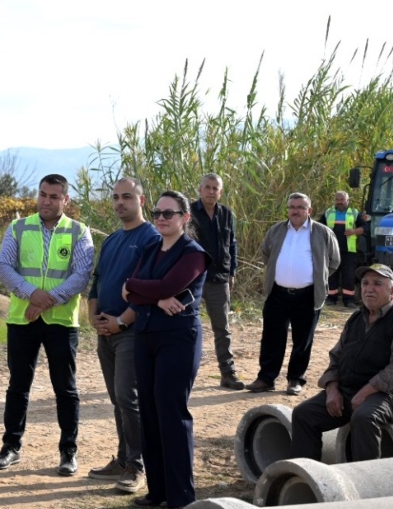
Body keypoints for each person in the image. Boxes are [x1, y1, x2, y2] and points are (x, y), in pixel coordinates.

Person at [0, 174, 94, 477]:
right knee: (18, 386)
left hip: (61, 322)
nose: (46, 201)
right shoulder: (19, 228)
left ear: (66, 200)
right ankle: (10, 447)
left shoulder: (79, 232)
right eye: (43, 195)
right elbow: (3, 266)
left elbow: (81, 273)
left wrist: (47, 300)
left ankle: (68, 451)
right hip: (23, 320)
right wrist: (31, 294)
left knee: (66, 389)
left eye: (54, 196)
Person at [121, 190, 210, 508]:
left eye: (168, 213)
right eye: (157, 212)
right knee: (149, 413)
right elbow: (129, 290)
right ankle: (157, 492)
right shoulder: (149, 248)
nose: (160, 218)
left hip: (178, 339)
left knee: (172, 415)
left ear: (185, 218)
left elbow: (163, 286)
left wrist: (138, 288)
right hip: (146, 336)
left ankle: (181, 497)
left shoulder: (194, 253)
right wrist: (154, 297)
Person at [290, 263, 393, 462]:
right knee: (304, 414)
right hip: (350, 389)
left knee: (364, 418)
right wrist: (332, 388)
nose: (369, 288)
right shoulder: (356, 318)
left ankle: (364, 482)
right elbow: (336, 357)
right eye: (365, 283)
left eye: (377, 284)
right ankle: (305, 479)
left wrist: (366, 391)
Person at [86, 178, 157, 493]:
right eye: (115, 197)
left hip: (131, 332)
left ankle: (137, 466)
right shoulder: (113, 239)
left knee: (129, 398)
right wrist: (93, 315)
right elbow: (97, 281)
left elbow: (148, 291)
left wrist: (122, 323)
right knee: (117, 399)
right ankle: (123, 457)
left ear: (141, 200)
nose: (120, 203)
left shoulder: (151, 238)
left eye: (127, 197)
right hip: (105, 332)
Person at [248, 192, 340, 396]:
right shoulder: (276, 230)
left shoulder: (323, 232)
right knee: (272, 337)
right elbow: (266, 254)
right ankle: (266, 379)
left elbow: (333, 261)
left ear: (309, 210)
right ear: (288, 210)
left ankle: (295, 380)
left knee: (303, 339)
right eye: (292, 207)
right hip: (277, 293)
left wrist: (316, 276)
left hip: (308, 295)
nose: (295, 211)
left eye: (300, 207)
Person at [189, 172, 244, 390]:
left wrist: (232, 272)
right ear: (200, 190)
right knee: (187, 327)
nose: (211, 192)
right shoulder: (189, 212)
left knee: (222, 329)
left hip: (219, 279)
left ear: (220, 192)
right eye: (208, 187)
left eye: (215, 188)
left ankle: (228, 374)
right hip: (192, 279)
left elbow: (232, 244)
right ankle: (181, 374)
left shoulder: (226, 213)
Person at [322, 191, 365, 308]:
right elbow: (319, 227)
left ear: (348, 200)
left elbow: (365, 227)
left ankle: (349, 300)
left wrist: (354, 231)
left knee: (349, 275)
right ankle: (331, 298)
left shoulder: (355, 213)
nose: (339, 202)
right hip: (332, 249)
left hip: (349, 251)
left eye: (342, 199)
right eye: (337, 199)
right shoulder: (328, 212)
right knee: (332, 274)